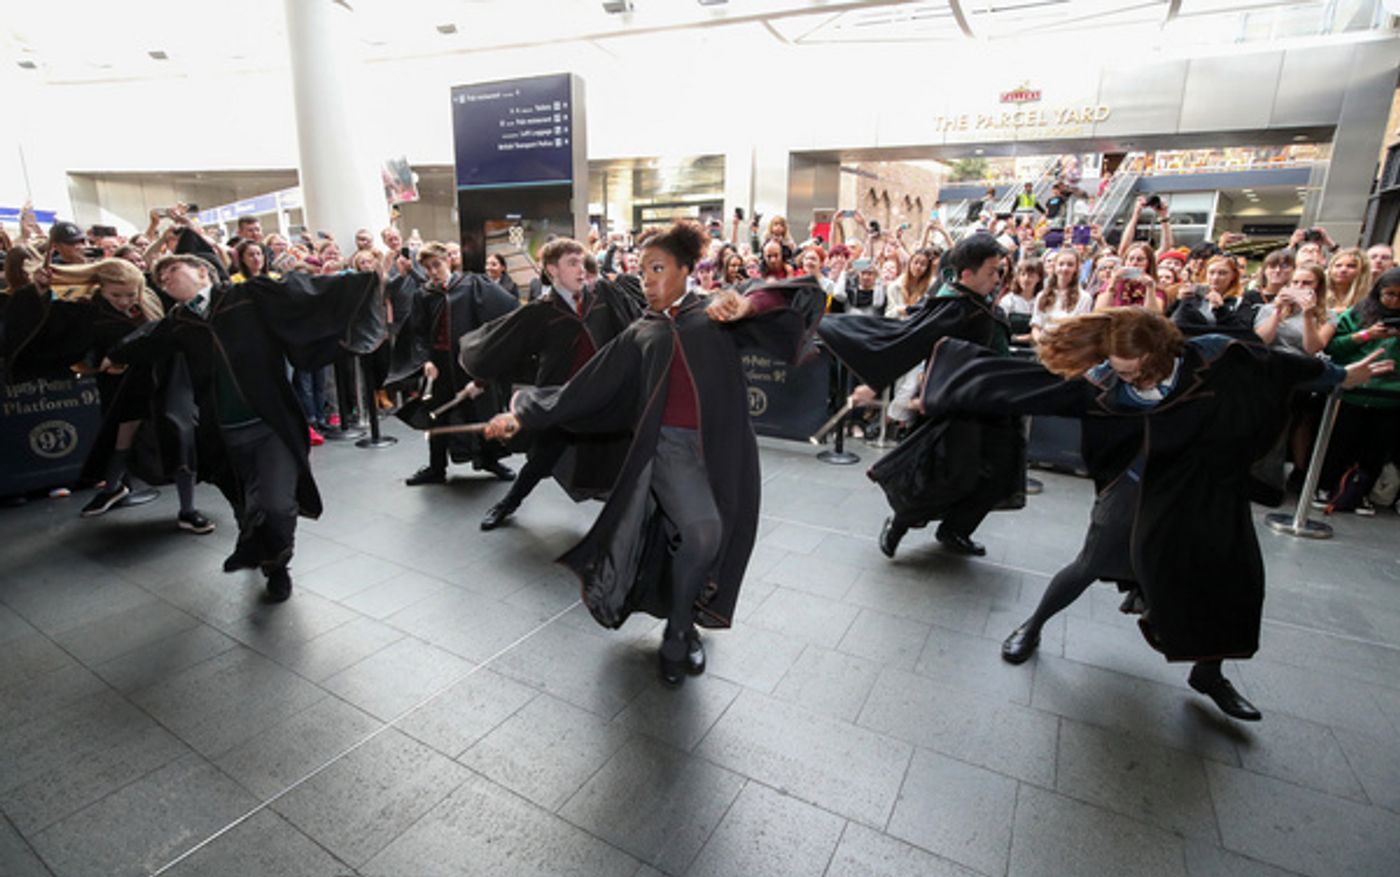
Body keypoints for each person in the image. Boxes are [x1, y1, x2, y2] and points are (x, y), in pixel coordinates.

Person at [925, 308, 1391, 721]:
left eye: (1137, 371)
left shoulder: (1218, 355)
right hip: (1140, 485)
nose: (1128, 379)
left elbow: (1283, 367)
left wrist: (1339, 376)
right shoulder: (1106, 383)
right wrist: (946, 385)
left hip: (1210, 489)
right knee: (1093, 560)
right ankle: (1032, 626)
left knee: (1233, 580)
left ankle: (1209, 674)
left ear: (1162, 351)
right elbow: (1025, 388)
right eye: (1120, 370)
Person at [483, 221, 821, 686]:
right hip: (668, 450)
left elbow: (797, 296)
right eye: (642, 271)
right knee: (702, 533)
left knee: (704, 542)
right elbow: (582, 389)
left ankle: (683, 615)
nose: (646, 280)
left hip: (725, 448)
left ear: (687, 269)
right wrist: (522, 413)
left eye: (658, 269)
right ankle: (679, 634)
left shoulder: (717, 312)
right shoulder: (641, 332)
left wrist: (748, 302)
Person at [102, 244, 384, 602]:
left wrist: (364, 281)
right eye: (160, 278)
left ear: (202, 272)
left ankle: (277, 560)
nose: (165, 279)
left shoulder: (249, 296)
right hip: (222, 434)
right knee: (244, 507)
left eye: (173, 270)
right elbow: (147, 338)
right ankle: (270, 564)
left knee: (277, 504)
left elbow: (307, 294)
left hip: (270, 424)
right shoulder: (180, 322)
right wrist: (114, 355)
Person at [821, 234, 1018, 558]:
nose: (998, 278)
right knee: (948, 477)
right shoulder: (955, 308)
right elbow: (914, 341)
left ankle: (955, 530)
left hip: (991, 405)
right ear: (967, 274)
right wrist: (873, 383)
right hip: (957, 409)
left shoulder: (976, 303)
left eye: (999, 271)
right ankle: (900, 522)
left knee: (998, 473)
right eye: (992, 271)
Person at [460, 237, 643, 530]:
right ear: (552, 269)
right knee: (543, 457)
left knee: (621, 457)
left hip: (603, 394)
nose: (581, 270)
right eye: (572, 263)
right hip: (559, 398)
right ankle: (507, 504)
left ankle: (624, 528)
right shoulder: (539, 311)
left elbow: (636, 324)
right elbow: (506, 347)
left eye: (582, 263)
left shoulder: (604, 294)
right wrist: (482, 379)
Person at [390, 242, 518, 486]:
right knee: (438, 415)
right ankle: (436, 468)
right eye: (427, 268)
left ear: (448, 260)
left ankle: (490, 460)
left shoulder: (473, 285)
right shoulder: (423, 295)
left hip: (469, 362)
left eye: (436, 265)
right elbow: (418, 333)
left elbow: (506, 308)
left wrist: (487, 357)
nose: (433, 272)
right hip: (439, 365)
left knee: (481, 410)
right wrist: (426, 360)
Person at [1318, 267, 1400, 513]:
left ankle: (1359, 493)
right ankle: (1325, 487)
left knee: (1376, 449)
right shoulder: (1359, 313)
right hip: (1354, 391)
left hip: (1391, 397)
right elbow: (1334, 347)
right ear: (1378, 292)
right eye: (1389, 294)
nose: (1394, 301)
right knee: (1340, 443)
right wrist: (1365, 335)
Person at [1031, 249, 1093, 344]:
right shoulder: (1042, 295)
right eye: (1061, 264)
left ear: (1076, 268)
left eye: (1070, 265)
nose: (1064, 268)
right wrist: (1041, 341)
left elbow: (1081, 329)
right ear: (1055, 267)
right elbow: (1036, 326)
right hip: (1046, 346)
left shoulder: (1085, 298)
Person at [1324, 247, 1371, 314]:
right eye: (1338, 266)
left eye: (1351, 266)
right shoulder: (1317, 293)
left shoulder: (1369, 300)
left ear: (1362, 271)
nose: (1343, 270)